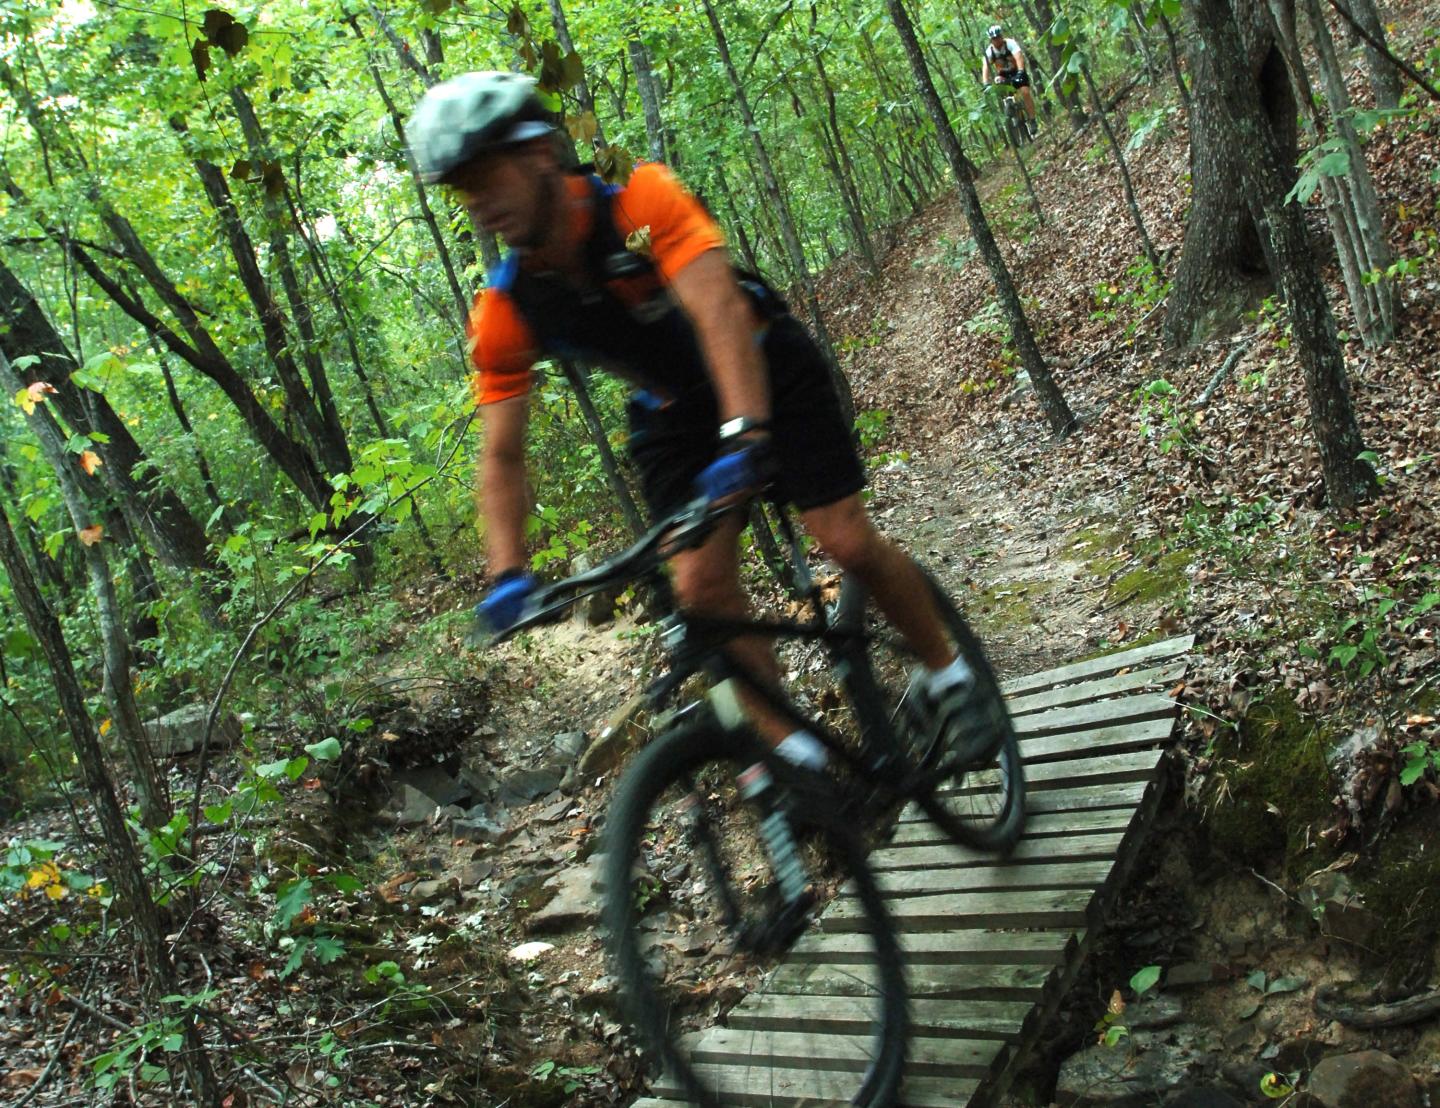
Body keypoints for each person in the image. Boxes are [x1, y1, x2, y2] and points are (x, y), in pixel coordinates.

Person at [406, 71, 983, 775]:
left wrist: (746, 433)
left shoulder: (641, 203)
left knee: (843, 538)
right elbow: (503, 457)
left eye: (484, 175)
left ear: (538, 154)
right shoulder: (507, 309)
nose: (476, 201)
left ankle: (950, 673)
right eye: (460, 188)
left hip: (765, 362)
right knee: (703, 596)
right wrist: (507, 573)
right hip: (674, 413)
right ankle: (803, 771)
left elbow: (720, 313)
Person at [981, 23, 1039, 138]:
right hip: (1003, 76)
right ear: (991, 40)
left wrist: (1021, 71)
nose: (996, 40)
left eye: (998, 37)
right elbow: (986, 67)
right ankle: (1008, 104)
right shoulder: (989, 52)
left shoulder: (1010, 43)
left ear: (1001, 36)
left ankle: (1032, 120)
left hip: (1017, 71)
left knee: (1025, 93)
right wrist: (985, 83)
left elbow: (1018, 57)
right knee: (998, 82)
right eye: (994, 38)